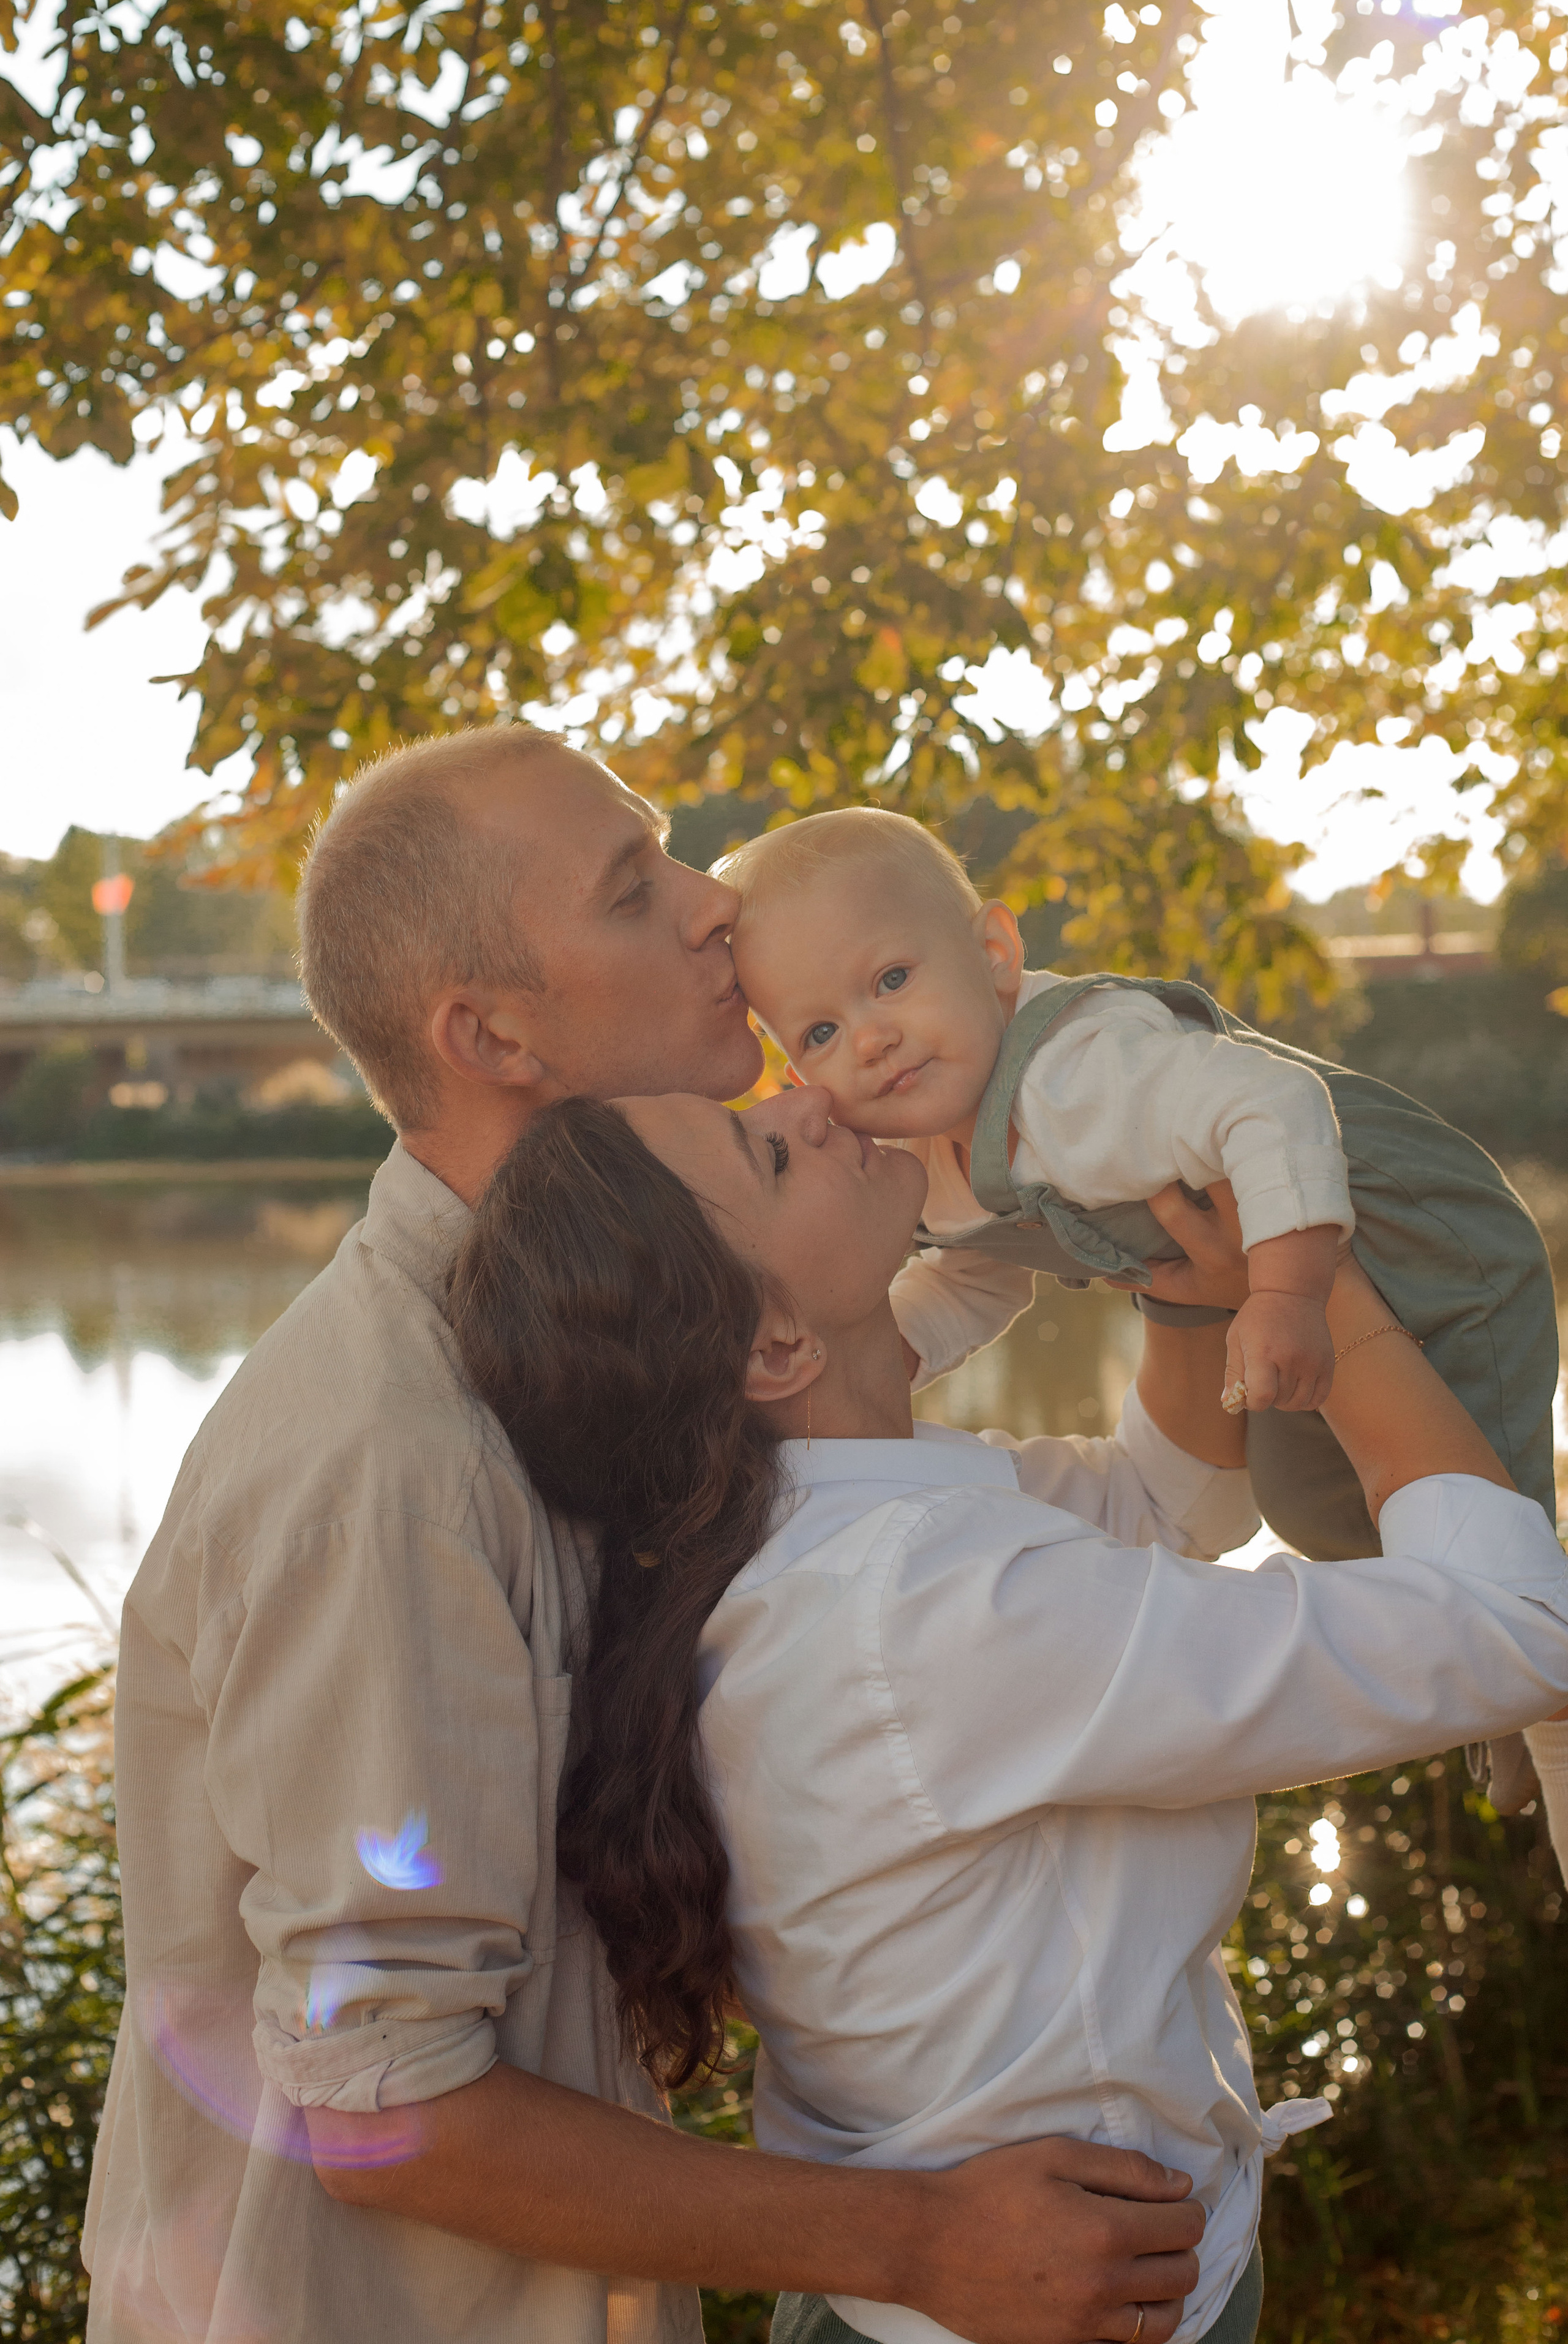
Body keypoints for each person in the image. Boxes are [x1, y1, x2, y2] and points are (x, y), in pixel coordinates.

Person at [83, 726, 1212, 2344]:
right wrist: (912, 2243)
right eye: (635, 891)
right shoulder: (387, 1467)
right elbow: (382, 2095)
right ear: (491, 1033)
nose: (712, 909)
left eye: (672, 853)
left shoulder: (630, 1341)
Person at [448, 1083, 1568, 2344]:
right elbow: (1522, 1628)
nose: (808, 1102)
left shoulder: (810, 1544)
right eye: (765, 1150)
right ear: (771, 1346)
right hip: (1069, 2300)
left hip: (959, 2287)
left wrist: (1189, 1289)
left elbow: (1160, 1515)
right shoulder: (929, 1602)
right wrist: (1322, 1301)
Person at [715, 805, 1561, 1810]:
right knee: (1308, 1505)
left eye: (892, 981)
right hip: (1278, 1262)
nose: (873, 1038)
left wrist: (1290, 1292)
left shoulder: (1081, 1073)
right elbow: (982, 1273)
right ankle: (1505, 1687)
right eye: (821, 1031)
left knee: (1504, 1516)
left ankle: (1537, 1702)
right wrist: (892, 1349)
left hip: (1423, 1237)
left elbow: (1276, 1104)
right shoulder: (936, 1152)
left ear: (992, 954)